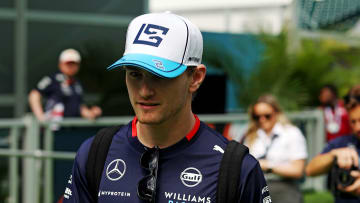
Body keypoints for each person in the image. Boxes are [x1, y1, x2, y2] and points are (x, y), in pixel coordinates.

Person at [62, 12, 270, 203]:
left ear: (195, 78)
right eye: (135, 74)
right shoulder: (95, 153)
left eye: (160, 76)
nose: (144, 91)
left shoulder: (237, 169)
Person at [242, 94, 307, 203]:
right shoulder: (250, 136)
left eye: (267, 115)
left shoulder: (291, 133)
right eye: (257, 116)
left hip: (285, 187)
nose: (262, 120)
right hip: (256, 187)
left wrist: (268, 166)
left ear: (277, 113)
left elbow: (298, 170)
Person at [306, 84, 360, 203]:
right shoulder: (343, 143)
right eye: (353, 121)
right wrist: (333, 155)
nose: (357, 127)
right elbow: (310, 169)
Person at [28, 48, 102, 129]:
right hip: (55, 128)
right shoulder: (53, 79)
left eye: (74, 64)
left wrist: (91, 113)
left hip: (72, 128)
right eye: (68, 63)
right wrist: (41, 118)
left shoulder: (77, 83)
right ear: (61, 64)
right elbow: (34, 94)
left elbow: (79, 106)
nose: (71, 67)